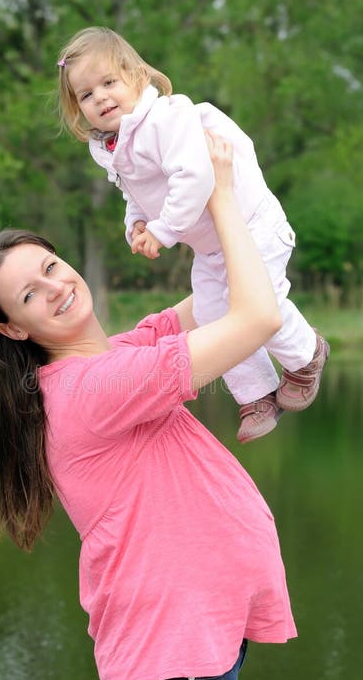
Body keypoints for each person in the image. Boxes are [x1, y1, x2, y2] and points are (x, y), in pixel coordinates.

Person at [0, 135, 297, 680]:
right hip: (179, 660)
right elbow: (255, 317)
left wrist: (208, 201)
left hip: (196, 644)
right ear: (11, 328)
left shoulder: (118, 356)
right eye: (29, 292)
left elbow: (222, 291)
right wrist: (221, 197)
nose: (55, 285)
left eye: (50, 266)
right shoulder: (93, 388)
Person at [56, 26, 329, 444]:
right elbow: (138, 190)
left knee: (258, 299)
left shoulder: (167, 119)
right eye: (87, 95)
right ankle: (257, 394)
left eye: (109, 82)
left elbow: (196, 177)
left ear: (136, 76)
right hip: (211, 246)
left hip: (251, 224)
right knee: (211, 312)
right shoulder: (115, 145)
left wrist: (163, 231)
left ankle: (306, 354)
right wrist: (137, 223)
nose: (101, 98)